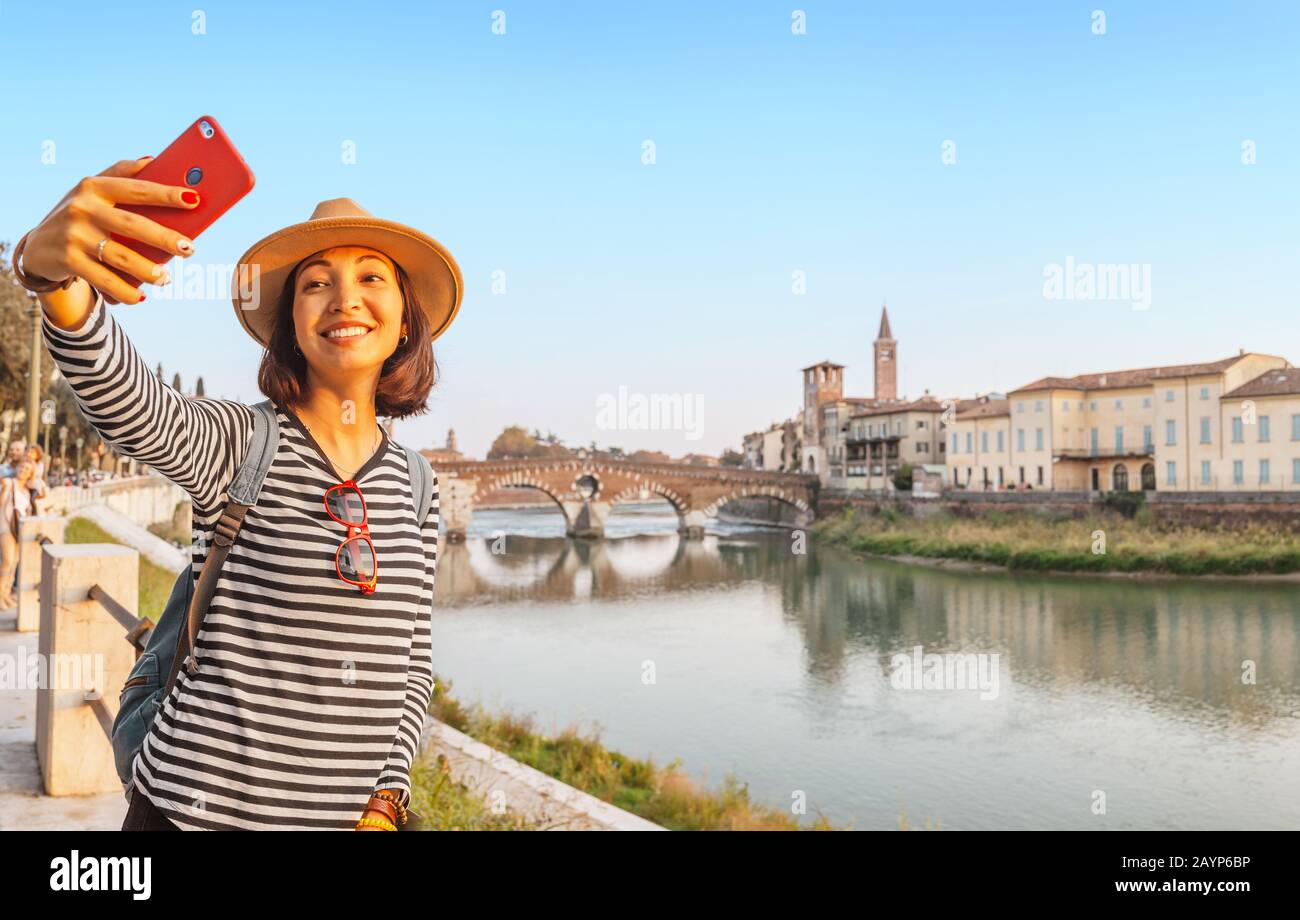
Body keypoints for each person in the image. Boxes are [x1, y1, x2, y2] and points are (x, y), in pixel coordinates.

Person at [13, 155, 463, 831]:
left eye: (372, 277)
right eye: (316, 283)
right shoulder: (238, 441)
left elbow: (411, 663)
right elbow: (130, 402)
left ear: (405, 321)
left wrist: (387, 797)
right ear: (291, 325)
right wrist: (53, 277)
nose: (345, 298)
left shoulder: (417, 482)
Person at [0, 461, 36, 610]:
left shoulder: (27, 490)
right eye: (22, 466)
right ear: (17, 468)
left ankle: (6, 594)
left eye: (27, 468)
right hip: (6, 526)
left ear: (30, 474)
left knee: (14, 563)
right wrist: (4, 490)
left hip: (19, 530)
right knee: (7, 562)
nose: (23, 469)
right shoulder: (9, 482)